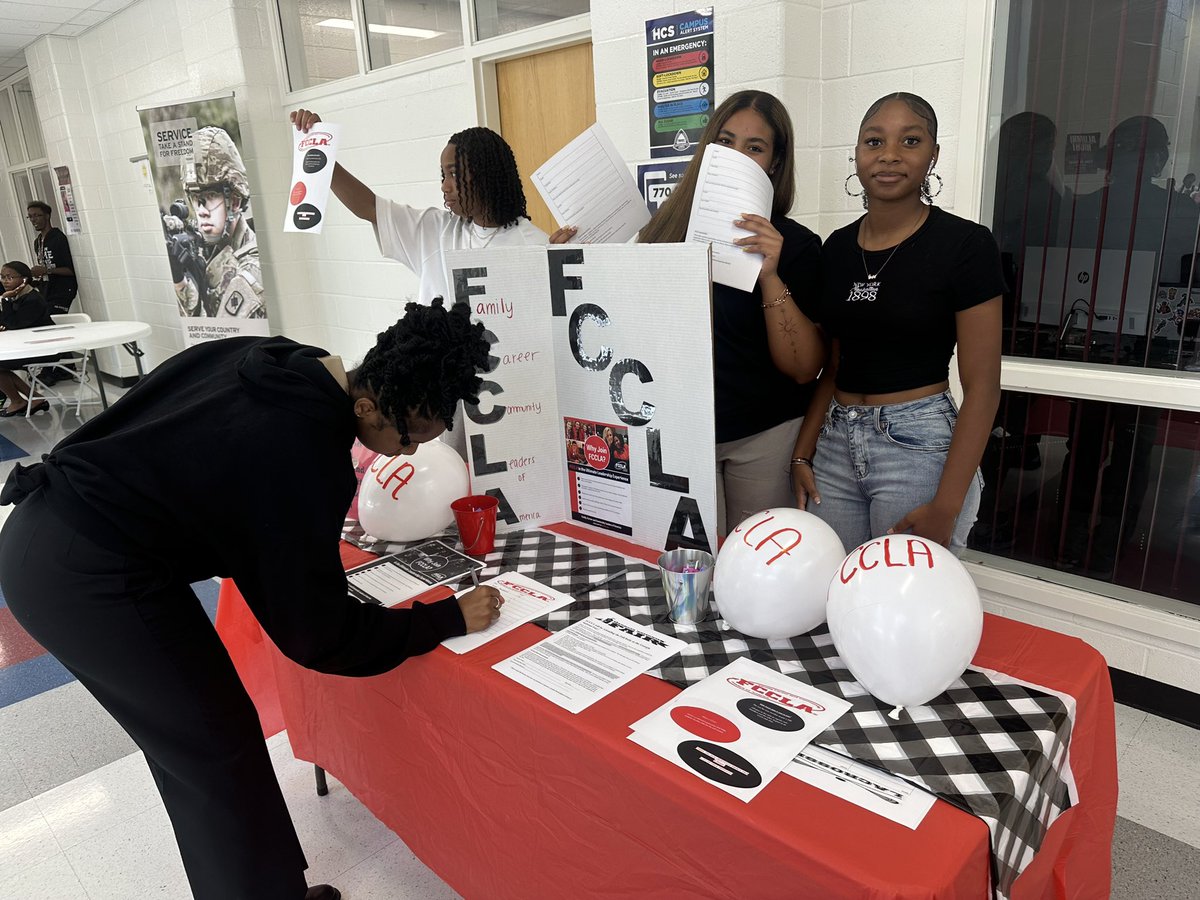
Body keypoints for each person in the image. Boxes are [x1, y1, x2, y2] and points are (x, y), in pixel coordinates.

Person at [0, 299, 504, 900]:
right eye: (408, 435)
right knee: (212, 753)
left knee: (211, 738)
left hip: (63, 533)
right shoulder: (304, 448)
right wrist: (442, 618)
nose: (410, 453)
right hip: (82, 572)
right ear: (367, 406)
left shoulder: (290, 362)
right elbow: (319, 636)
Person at [792, 92, 1003, 550]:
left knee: (900, 603)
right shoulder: (837, 248)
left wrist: (946, 508)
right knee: (833, 590)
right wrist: (802, 454)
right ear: (856, 153)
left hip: (918, 447)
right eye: (874, 141)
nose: (889, 155)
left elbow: (984, 387)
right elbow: (834, 365)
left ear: (933, 154)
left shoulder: (965, 245)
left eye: (910, 140)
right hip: (835, 443)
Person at [637, 90, 824, 535]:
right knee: (690, 563)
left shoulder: (797, 245)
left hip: (765, 432)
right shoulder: (664, 232)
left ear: (775, 164)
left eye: (754, 147)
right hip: (681, 426)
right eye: (725, 142)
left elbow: (803, 369)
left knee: (757, 563)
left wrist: (770, 275)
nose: (735, 156)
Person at [288, 108, 564, 305]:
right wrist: (321, 151)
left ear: (485, 173)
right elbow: (367, 207)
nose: (445, 186)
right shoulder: (435, 230)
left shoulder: (535, 246)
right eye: (443, 175)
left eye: (454, 173)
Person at [168, 125, 265, 319]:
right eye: (195, 199)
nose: (202, 211)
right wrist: (180, 280)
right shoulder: (208, 251)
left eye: (210, 196)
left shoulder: (250, 270)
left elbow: (220, 337)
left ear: (235, 201)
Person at [0, 261, 56, 417]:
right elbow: (7, 322)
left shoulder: (32, 299)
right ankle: (33, 399)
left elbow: (15, 325)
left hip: (45, 349)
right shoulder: (16, 296)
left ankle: (19, 401)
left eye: (10, 277)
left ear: (24, 279)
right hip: (27, 346)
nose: (5, 281)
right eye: (2, 277)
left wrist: (4, 301)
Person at [26, 200, 78, 315]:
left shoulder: (58, 238)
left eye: (37, 215)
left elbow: (71, 269)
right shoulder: (37, 242)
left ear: (47, 216)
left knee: (52, 319)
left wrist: (46, 270)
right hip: (46, 290)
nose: (33, 220)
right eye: (30, 217)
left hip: (61, 291)